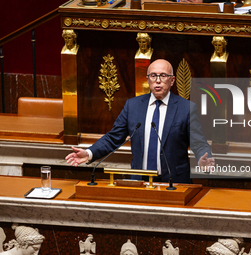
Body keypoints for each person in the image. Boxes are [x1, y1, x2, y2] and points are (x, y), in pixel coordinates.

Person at [65, 59, 214, 183]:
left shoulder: (186, 108)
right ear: (147, 79)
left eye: (163, 76)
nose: (158, 81)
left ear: (172, 80)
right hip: (139, 181)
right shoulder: (133, 106)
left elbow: (198, 142)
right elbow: (113, 138)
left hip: (174, 182)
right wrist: (90, 153)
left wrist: (203, 158)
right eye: (153, 76)